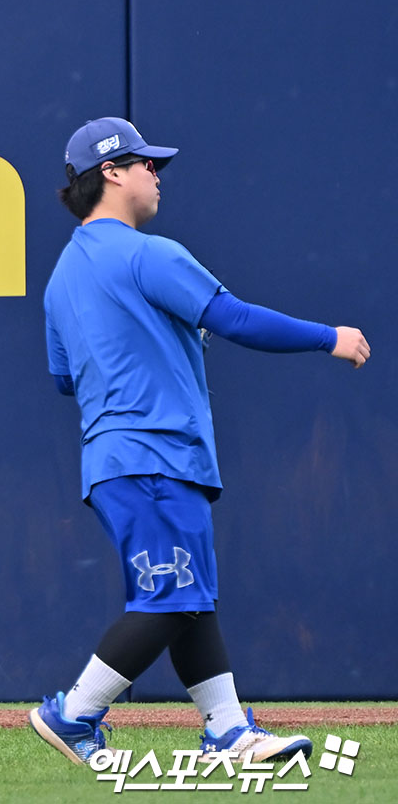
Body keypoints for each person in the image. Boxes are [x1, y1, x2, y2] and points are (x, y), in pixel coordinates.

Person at [28, 117, 371, 766]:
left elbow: (65, 378)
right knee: (169, 598)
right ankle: (73, 712)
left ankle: (227, 729)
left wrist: (141, 341)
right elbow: (235, 318)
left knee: (189, 599)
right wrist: (331, 336)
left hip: (118, 464)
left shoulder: (62, 278)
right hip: (155, 457)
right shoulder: (148, 255)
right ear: (111, 172)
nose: (156, 173)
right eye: (145, 163)